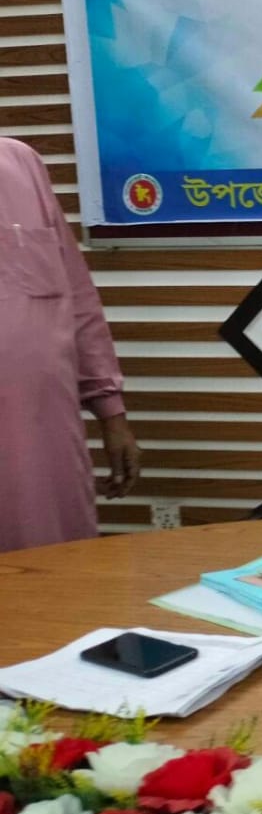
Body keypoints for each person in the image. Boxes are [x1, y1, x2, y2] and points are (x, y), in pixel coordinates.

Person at [0, 138, 140, 552]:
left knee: (56, 570)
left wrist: (112, 414)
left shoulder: (20, 163)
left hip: (43, 449)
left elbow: (77, 299)